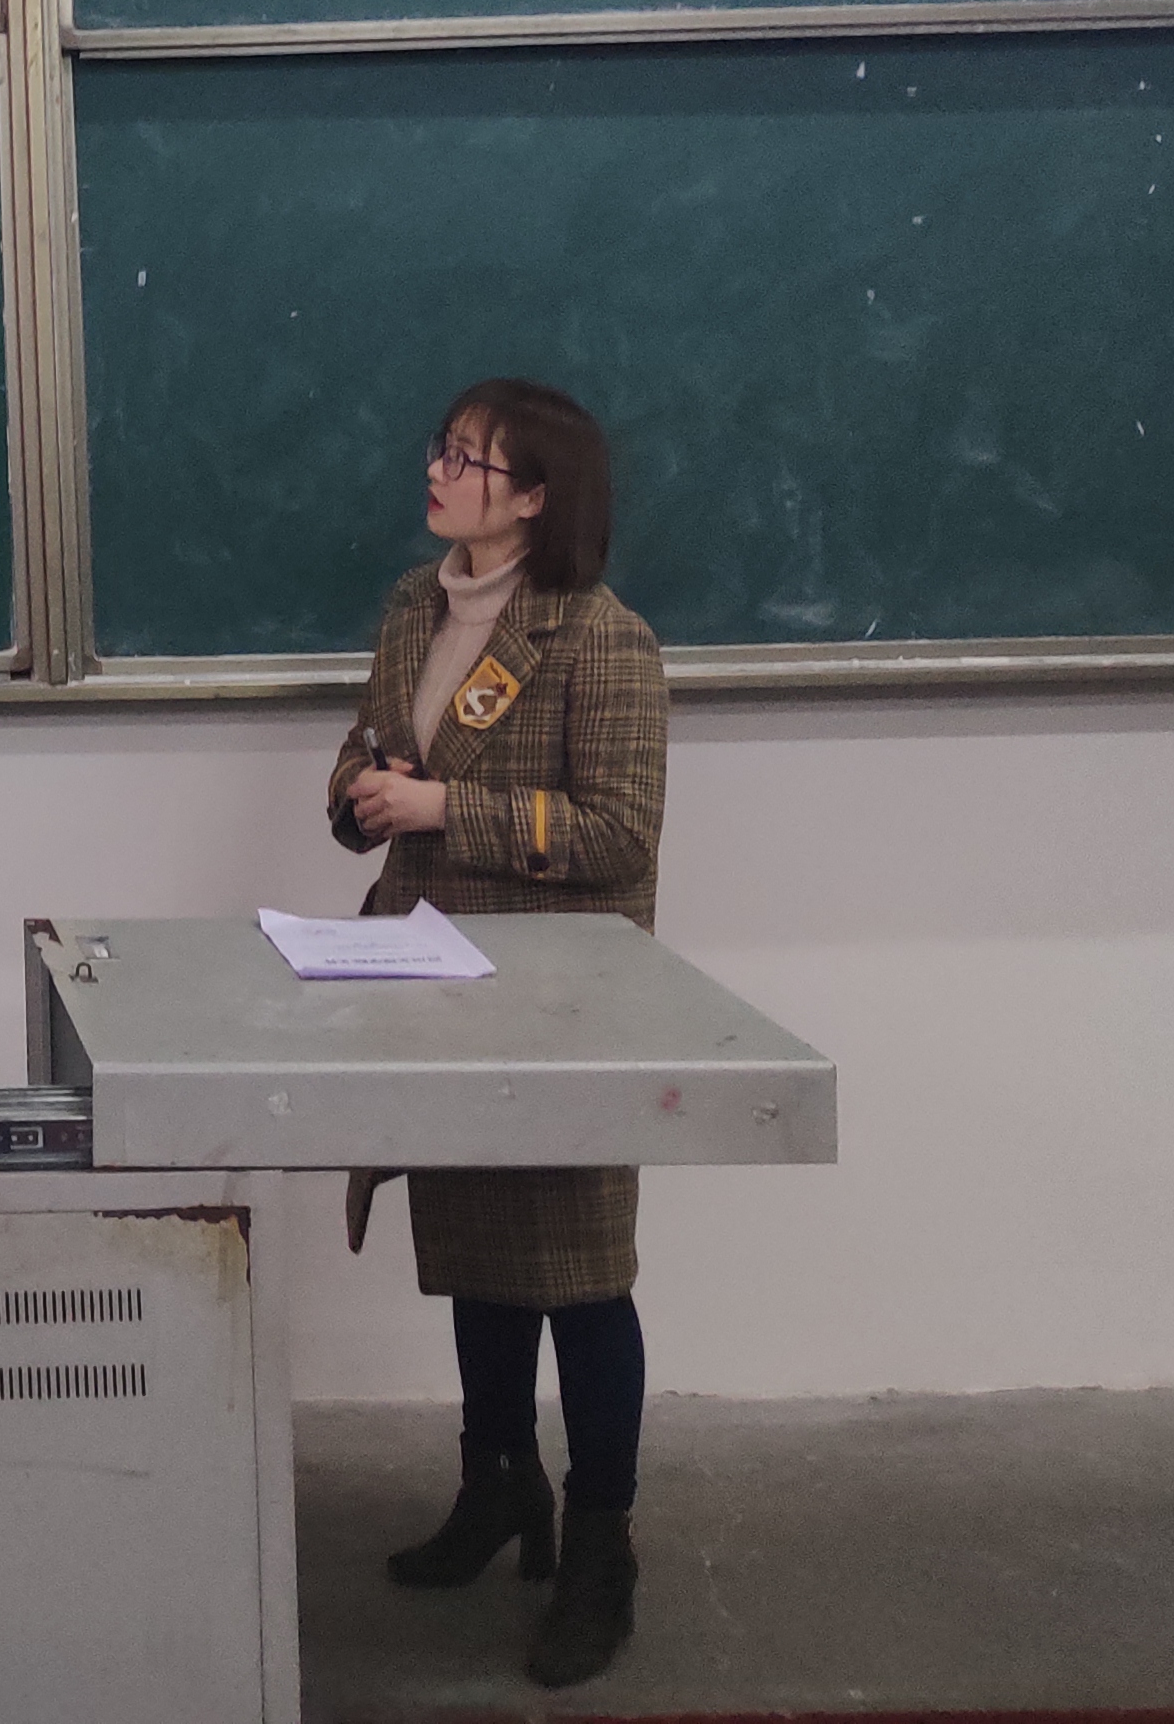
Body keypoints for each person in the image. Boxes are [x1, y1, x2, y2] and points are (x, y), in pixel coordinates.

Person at [326, 378, 670, 1690]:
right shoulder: (414, 607)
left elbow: (619, 833)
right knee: (478, 1254)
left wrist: (441, 813)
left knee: (579, 1277)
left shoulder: (601, 639)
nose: (438, 470)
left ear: (533, 496)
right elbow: (371, 749)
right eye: (444, 448)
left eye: (468, 459)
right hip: (437, 985)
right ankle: (497, 1486)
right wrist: (362, 799)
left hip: (561, 1008)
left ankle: (600, 1549)